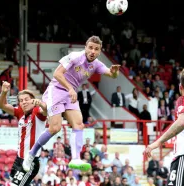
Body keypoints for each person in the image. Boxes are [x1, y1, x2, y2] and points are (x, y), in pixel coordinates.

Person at [22, 36, 120, 172]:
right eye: (90, 47)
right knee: (55, 128)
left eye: (96, 49)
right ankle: (31, 154)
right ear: (85, 47)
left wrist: (114, 73)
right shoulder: (75, 56)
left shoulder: (96, 64)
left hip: (70, 93)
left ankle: (75, 158)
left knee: (79, 124)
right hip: (56, 90)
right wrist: (70, 89)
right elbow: (57, 74)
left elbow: (111, 73)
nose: (93, 51)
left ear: (99, 52)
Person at [0, 81, 46, 186]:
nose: (23, 102)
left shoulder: (38, 113)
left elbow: (47, 111)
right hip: (19, 159)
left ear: (33, 100)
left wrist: (41, 103)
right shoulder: (20, 113)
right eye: (21, 100)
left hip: (30, 161)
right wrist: (4, 92)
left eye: (27, 99)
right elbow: (2, 105)